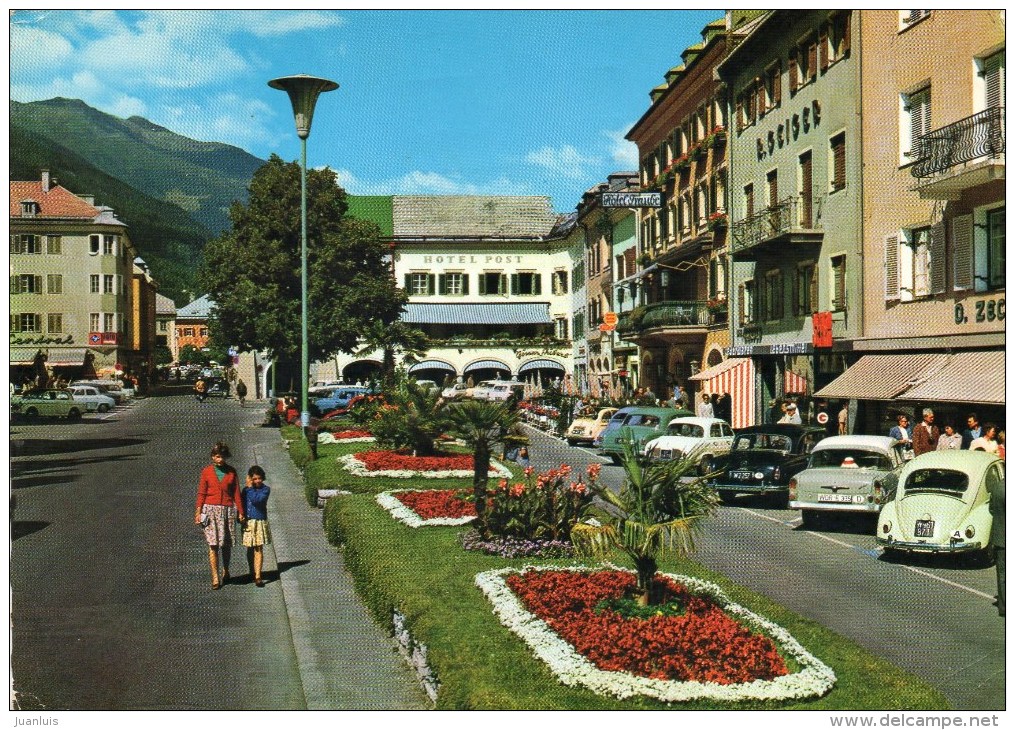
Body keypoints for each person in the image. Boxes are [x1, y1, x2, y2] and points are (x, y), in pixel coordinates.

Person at [195, 442, 245, 590]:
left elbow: (236, 493)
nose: (220, 459)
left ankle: (226, 569)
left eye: (222, 456)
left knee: (226, 545)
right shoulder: (206, 472)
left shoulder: (231, 472)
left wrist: (241, 512)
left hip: (227, 511)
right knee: (213, 544)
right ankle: (215, 576)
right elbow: (201, 493)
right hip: (210, 511)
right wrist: (198, 512)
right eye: (217, 456)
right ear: (212, 457)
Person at [241, 465, 272, 588]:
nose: (257, 481)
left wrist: (249, 487)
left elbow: (257, 500)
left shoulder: (265, 490)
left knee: (258, 547)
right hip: (248, 522)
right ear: (250, 479)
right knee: (250, 547)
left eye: (259, 478)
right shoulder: (246, 490)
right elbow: (242, 503)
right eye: (254, 479)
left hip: (259, 521)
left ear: (263, 478)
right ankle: (252, 571)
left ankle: (258, 575)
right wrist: (241, 515)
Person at [989, 466, 1005, 617]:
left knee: (1002, 574)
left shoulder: (998, 487)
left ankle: (1004, 606)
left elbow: (992, 509)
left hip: (1000, 538)